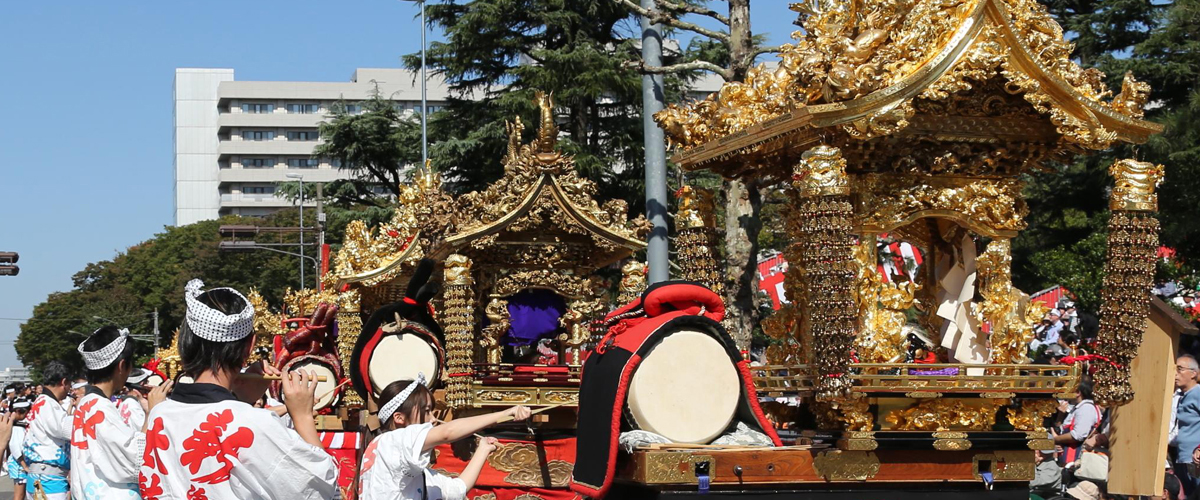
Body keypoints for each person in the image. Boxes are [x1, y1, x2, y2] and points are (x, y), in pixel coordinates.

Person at [140, 279, 338, 499]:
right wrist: (302, 416)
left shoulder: (160, 415)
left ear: (186, 341)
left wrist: (241, 398)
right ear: (249, 346)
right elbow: (320, 486)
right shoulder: (254, 422)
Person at [358, 374, 531, 500]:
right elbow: (447, 433)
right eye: (426, 412)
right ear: (399, 418)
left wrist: (483, 448)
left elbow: (458, 489)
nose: (433, 419)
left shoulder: (412, 470)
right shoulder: (392, 441)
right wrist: (505, 413)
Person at [70, 326, 172, 499]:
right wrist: (153, 412)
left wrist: (147, 413)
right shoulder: (100, 408)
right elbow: (135, 461)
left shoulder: (88, 403)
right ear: (122, 365)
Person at [23, 361, 74, 500]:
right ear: (64, 382)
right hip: (48, 480)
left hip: (42, 477)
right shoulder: (47, 403)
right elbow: (68, 430)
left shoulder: (42, 401)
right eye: (70, 385)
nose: (71, 390)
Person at [1055, 379, 1101, 465]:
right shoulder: (1077, 408)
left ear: (1077, 392)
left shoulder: (1086, 408)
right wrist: (1060, 415)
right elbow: (1061, 431)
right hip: (1067, 461)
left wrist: (1055, 439)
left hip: (1076, 463)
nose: (1064, 391)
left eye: (1067, 388)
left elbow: (1078, 435)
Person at [1174, 354, 1200, 496]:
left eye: (1180, 369)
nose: (1175, 374)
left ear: (1193, 373)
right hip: (1183, 458)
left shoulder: (1198, 393)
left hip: (1195, 460)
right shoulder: (1181, 396)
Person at [6, 398, 31, 500]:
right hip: (19, 464)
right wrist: (24, 466)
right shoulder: (16, 428)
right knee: (19, 495)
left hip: (20, 463)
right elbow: (15, 448)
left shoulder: (21, 426)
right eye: (26, 412)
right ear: (17, 411)